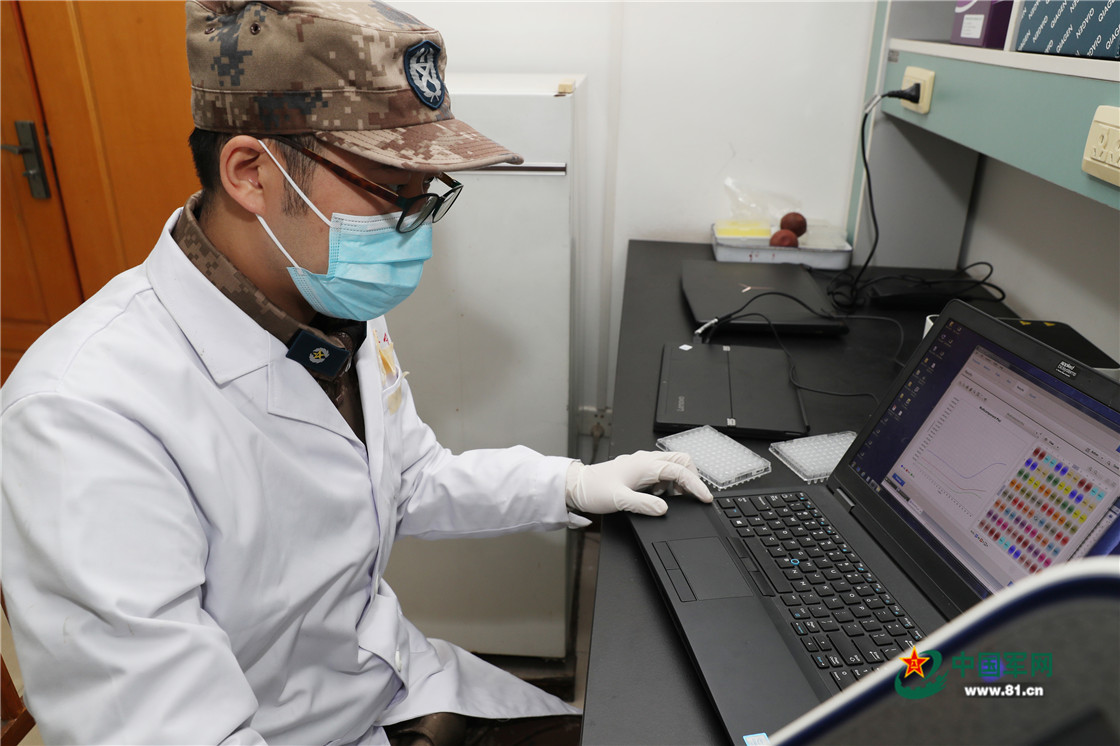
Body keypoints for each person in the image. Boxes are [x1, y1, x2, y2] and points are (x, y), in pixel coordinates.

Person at [0, 2, 712, 744]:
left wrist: (569, 484)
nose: (415, 225)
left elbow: (405, 477)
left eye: (426, 191)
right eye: (391, 190)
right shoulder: (82, 418)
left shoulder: (324, 297)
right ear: (250, 173)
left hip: (398, 689)